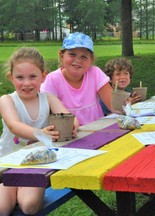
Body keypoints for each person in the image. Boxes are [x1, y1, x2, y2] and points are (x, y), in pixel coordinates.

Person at [0, 47, 79, 215]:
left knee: (29, 206)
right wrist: (40, 133)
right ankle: (13, 190)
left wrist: (72, 125)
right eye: (20, 77)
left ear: (43, 76)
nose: (26, 83)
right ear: (11, 78)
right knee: (2, 208)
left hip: (37, 167)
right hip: (7, 166)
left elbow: (68, 117)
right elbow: (14, 125)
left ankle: (22, 189)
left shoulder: (48, 98)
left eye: (32, 77)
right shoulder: (7, 100)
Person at [40, 32, 112, 126]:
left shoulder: (94, 73)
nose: (78, 60)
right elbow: (46, 114)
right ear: (62, 56)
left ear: (91, 60)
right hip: (68, 134)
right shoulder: (52, 80)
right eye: (72, 54)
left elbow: (113, 104)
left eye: (84, 57)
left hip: (97, 131)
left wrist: (126, 104)